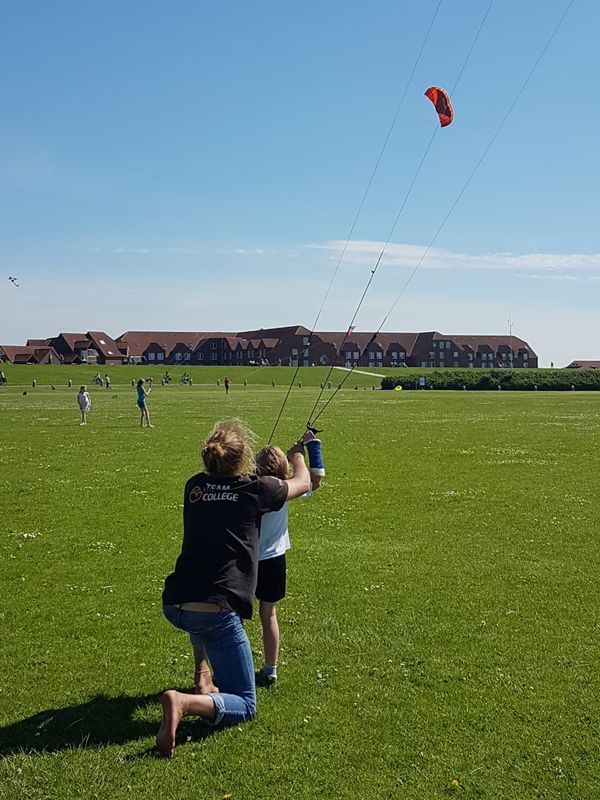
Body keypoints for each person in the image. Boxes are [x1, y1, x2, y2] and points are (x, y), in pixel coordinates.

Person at [157, 419, 310, 757]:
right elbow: (302, 482)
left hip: (176, 603)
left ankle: (203, 676)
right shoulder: (256, 490)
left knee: (202, 608)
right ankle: (183, 703)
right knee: (245, 702)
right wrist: (298, 453)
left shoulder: (194, 486)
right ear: (243, 461)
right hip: (215, 610)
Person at [254, 430, 325, 687]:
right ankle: (270, 669)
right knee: (268, 613)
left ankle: (233, 667)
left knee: (234, 616)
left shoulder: (251, 487)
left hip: (246, 560)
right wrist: (307, 450)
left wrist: (291, 452)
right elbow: (313, 480)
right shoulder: (284, 489)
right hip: (273, 560)